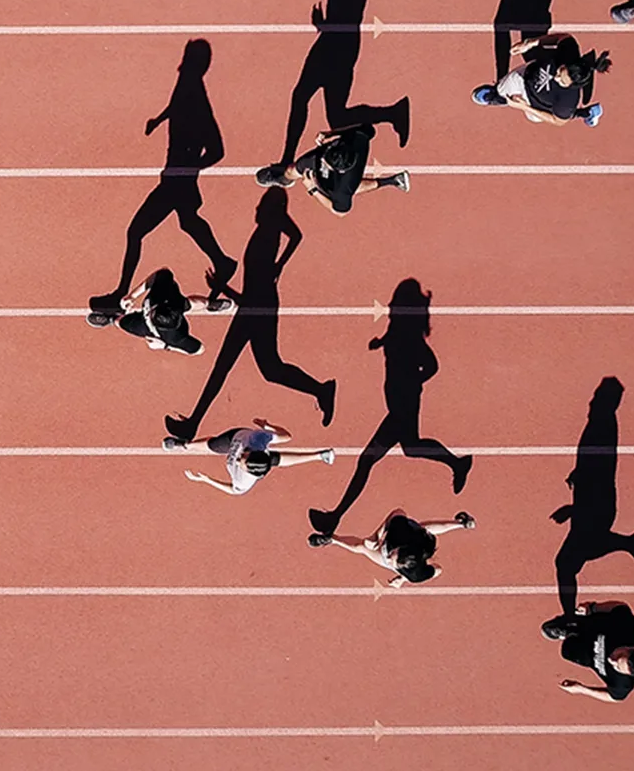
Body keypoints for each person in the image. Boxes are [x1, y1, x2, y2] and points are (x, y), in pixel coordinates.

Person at [165, 187, 336, 444]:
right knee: (267, 369)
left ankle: (192, 424)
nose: (256, 209)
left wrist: (224, 288)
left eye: (261, 206)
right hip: (258, 306)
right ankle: (321, 390)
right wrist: (278, 265)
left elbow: (253, 296)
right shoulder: (269, 231)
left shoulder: (268, 233)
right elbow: (296, 236)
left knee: (233, 367)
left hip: (258, 308)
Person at [309, 278, 474, 541]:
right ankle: (458, 463)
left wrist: (411, 383)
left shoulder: (410, 337)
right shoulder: (398, 331)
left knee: (368, 460)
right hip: (400, 403)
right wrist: (381, 343)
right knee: (409, 448)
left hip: (403, 406)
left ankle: (334, 517)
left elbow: (432, 366)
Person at [89, 39, 238, 317]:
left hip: (175, 181)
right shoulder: (187, 86)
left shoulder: (198, 99)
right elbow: (176, 105)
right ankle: (222, 260)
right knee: (189, 222)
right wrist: (159, 120)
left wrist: (189, 169)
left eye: (187, 58)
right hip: (175, 179)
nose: (181, 63)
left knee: (136, 231)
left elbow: (218, 151)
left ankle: (121, 294)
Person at [261, 0, 409, 180]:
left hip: (335, 41)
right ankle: (392, 112)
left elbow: (347, 0)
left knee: (303, 96)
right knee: (336, 117)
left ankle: (286, 164)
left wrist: (324, 23)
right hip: (341, 39)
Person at [551, 377, 634, 615]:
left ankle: (570, 619)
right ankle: (631, 543)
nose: (591, 400)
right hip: (594, 504)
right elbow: (594, 465)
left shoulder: (602, 426)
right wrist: (577, 473)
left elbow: (599, 471)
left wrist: (572, 510)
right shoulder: (600, 423)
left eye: (597, 396)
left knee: (566, 564)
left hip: (595, 508)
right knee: (574, 557)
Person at [257, 121, 409, 216]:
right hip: (337, 168)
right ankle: (284, 180)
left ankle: (392, 181)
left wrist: (313, 189)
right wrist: (331, 133)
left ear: (338, 170)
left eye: (327, 161)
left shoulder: (343, 187)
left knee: (347, 190)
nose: (324, 159)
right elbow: (365, 127)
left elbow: (339, 211)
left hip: (335, 184)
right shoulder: (357, 138)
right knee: (292, 169)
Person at [309, 508, 475, 587]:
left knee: (362, 548)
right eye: (393, 555)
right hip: (409, 535)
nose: (389, 558)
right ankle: (461, 523)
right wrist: (377, 535)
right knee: (424, 528)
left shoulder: (416, 576)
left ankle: (333, 540)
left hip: (416, 548)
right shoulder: (400, 533)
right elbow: (398, 512)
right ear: (400, 548)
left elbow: (438, 570)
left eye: (392, 560)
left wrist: (404, 579)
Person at [472, 33, 607, 127]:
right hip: (525, 75)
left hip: (535, 104)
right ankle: (499, 97)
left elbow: (558, 121)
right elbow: (562, 38)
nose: (556, 77)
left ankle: (584, 113)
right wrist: (530, 43)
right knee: (501, 89)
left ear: (572, 86)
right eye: (560, 71)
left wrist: (525, 107)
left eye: (562, 81)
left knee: (537, 118)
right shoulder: (569, 51)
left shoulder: (569, 99)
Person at [174, 418, 334, 495]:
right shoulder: (257, 439)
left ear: (249, 471)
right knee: (212, 445)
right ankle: (185, 445)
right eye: (244, 454)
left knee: (277, 460)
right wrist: (268, 426)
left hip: (258, 459)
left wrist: (206, 480)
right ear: (256, 451)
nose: (239, 457)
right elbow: (286, 436)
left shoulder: (244, 480)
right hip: (235, 437)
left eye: (242, 461)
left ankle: (320, 456)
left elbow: (233, 491)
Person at [89, 267, 230, 355]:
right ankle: (210, 304)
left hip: (148, 330)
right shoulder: (163, 295)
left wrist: (165, 346)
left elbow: (199, 350)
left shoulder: (175, 337)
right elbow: (161, 273)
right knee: (190, 303)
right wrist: (132, 296)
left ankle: (112, 319)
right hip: (169, 311)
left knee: (123, 323)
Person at [543, 600, 634, 702]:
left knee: (566, 652)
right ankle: (572, 628)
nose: (612, 660)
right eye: (618, 656)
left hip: (589, 655)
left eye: (617, 667)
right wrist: (592, 608)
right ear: (629, 648)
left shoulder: (623, 684)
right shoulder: (624, 629)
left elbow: (613, 697)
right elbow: (620, 607)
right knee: (549, 627)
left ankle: (569, 635)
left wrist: (582, 689)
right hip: (595, 627)